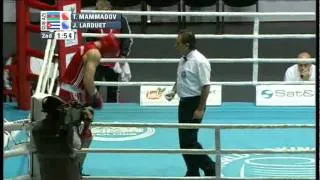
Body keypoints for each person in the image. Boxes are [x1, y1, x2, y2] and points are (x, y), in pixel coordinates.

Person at [58, 32, 120, 176]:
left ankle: (74, 170)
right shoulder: (94, 53)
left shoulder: (87, 47)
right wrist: (96, 96)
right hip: (72, 94)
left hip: (71, 92)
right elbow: (88, 80)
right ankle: (72, 172)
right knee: (81, 135)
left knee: (81, 133)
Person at [165, 30, 216, 177]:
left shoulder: (200, 61)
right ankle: (192, 171)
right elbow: (180, 78)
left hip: (195, 103)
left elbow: (206, 86)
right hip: (184, 103)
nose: (175, 45)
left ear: (187, 44)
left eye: (178, 43)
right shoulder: (183, 59)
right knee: (184, 143)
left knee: (190, 141)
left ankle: (210, 167)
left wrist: (200, 108)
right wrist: (174, 90)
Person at [85, 0, 133, 103]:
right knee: (94, 87)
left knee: (113, 88)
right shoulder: (93, 21)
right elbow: (89, 39)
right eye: (101, 12)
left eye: (106, 12)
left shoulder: (120, 20)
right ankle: (93, 110)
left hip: (113, 60)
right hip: (98, 60)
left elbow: (126, 38)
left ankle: (113, 113)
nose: (104, 15)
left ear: (111, 11)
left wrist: (123, 55)